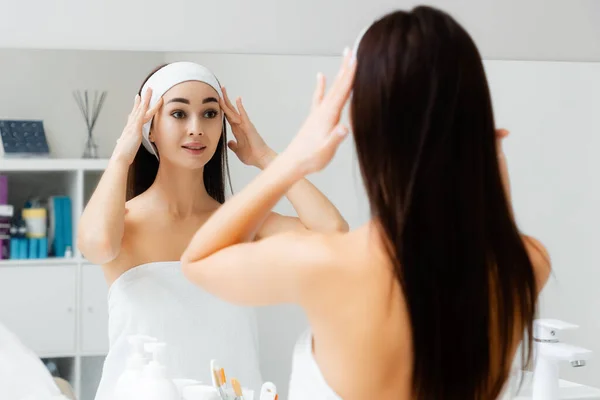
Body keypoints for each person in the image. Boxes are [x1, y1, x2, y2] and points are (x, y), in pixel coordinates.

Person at [180, 7, 551, 400]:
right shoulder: (525, 266)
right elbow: (495, 231)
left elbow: (199, 260)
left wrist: (292, 158)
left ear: (359, 122)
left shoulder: (329, 266)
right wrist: (483, 164)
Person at [76, 61, 348, 399]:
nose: (196, 128)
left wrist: (265, 156)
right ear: (150, 129)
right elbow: (98, 245)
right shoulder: (123, 222)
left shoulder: (240, 222)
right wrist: (121, 155)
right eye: (178, 114)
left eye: (210, 114)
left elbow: (333, 233)